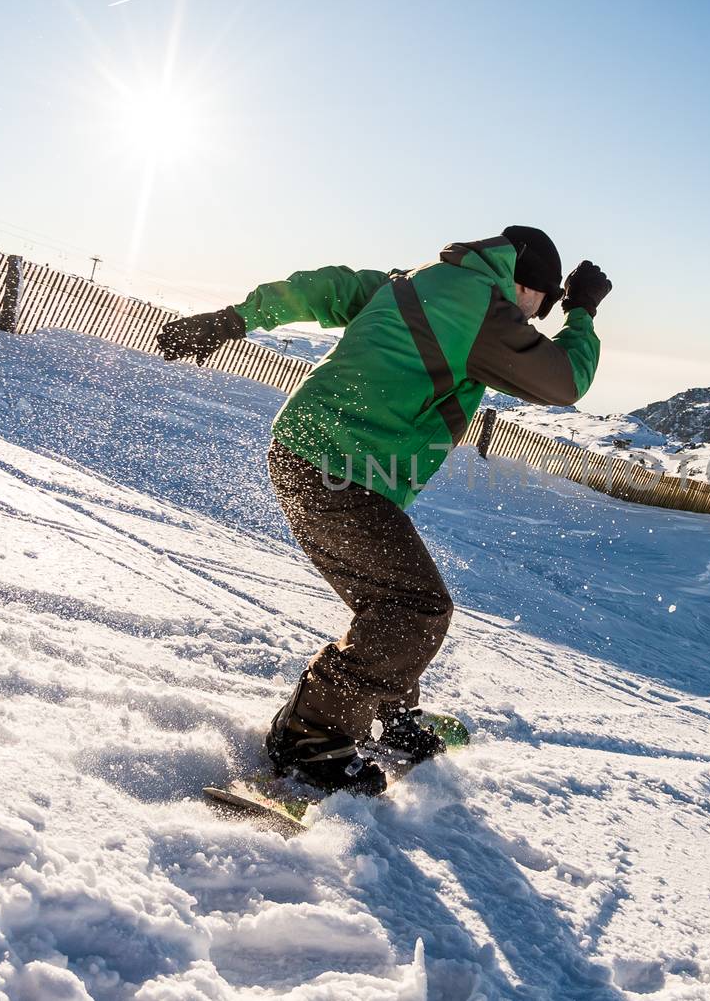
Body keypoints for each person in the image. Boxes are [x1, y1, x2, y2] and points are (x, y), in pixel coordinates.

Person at [156, 228, 611, 794]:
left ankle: (384, 715)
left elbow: (324, 289)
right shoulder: (483, 313)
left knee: (388, 603)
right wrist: (583, 312)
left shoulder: (415, 281)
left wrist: (235, 318)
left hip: (314, 458)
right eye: (539, 308)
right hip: (338, 474)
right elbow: (565, 380)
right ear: (526, 284)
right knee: (413, 607)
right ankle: (309, 739)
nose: (532, 324)